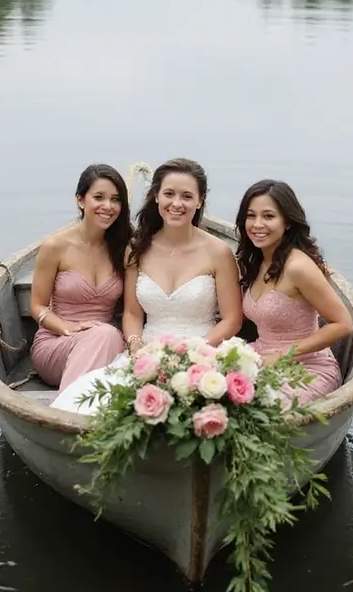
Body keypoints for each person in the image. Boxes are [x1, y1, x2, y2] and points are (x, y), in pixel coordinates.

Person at [51, 157, 243, 414]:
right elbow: (132, 313)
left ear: (199, 202)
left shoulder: (219, 252)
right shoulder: (138, 248)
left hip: (204, 351)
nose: (177, 203)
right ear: (156, 197)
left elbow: (232, 320)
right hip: (148, 352)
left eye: (187, 196)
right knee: (98, 406)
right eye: (169, 194)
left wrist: (198, 351)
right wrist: (135, 345)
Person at [236, 179, 353, 406]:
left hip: (306, 367)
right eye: (251, 216)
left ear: (287, 222)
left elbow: (343, 324)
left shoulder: (298, 267)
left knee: (256, 405)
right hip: (260, 355)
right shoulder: (257, 261)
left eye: (268, 216)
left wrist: (281, 356)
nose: (257, 224)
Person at [30, 164, 131, 392]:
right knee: (105, 334)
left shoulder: (123, 248)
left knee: (108, 335)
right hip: (57, 342)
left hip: (107, 343)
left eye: (115, 199)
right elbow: (37, 306)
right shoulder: (55, 246)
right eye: (98, 197)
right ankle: (69, 410)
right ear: (80, 200)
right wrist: (66, 327)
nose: (108, 206)